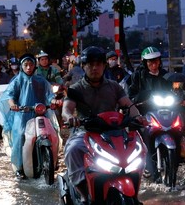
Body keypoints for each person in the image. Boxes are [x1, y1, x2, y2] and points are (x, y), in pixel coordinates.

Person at [62, 46, 145, 204]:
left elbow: (129, 105)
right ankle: (83, 192)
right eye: (90, 64)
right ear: (83, 66)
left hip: (114, 133)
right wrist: (69, 117)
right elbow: (67, 109)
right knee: (72, 150)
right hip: (85, 133)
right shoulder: (76, 88)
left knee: (140, 148)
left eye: (98, 64)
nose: (94, 68)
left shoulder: (114, 86)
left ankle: (135, 191)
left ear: (104, 66)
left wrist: (139, 117)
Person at [127, 46, 185, 176]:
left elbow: (177, 89)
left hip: (166, 110)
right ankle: (143, 161)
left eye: (156, 61)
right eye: (150, 61)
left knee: (183, 123)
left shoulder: (166, 75)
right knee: (139, 132)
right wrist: (144, 96)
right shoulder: (137, 76)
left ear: (160, 61)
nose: (153, 64)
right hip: (145, 111)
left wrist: (182, 93)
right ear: (145, 63)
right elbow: (130, 95)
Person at [0, 53, 62, 179]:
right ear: (22, 66)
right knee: (20, 136)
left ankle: (54, 160)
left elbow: (49, 95)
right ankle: (19, 167)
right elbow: (10, 95)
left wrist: (54, 101)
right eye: (26, 65)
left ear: (34, 65)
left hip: (41, 113)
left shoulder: (40, 80)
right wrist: (13, 105)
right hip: (22, 114)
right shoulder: (17, 80)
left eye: (31, 64)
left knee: (54, 132)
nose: (28, 67)